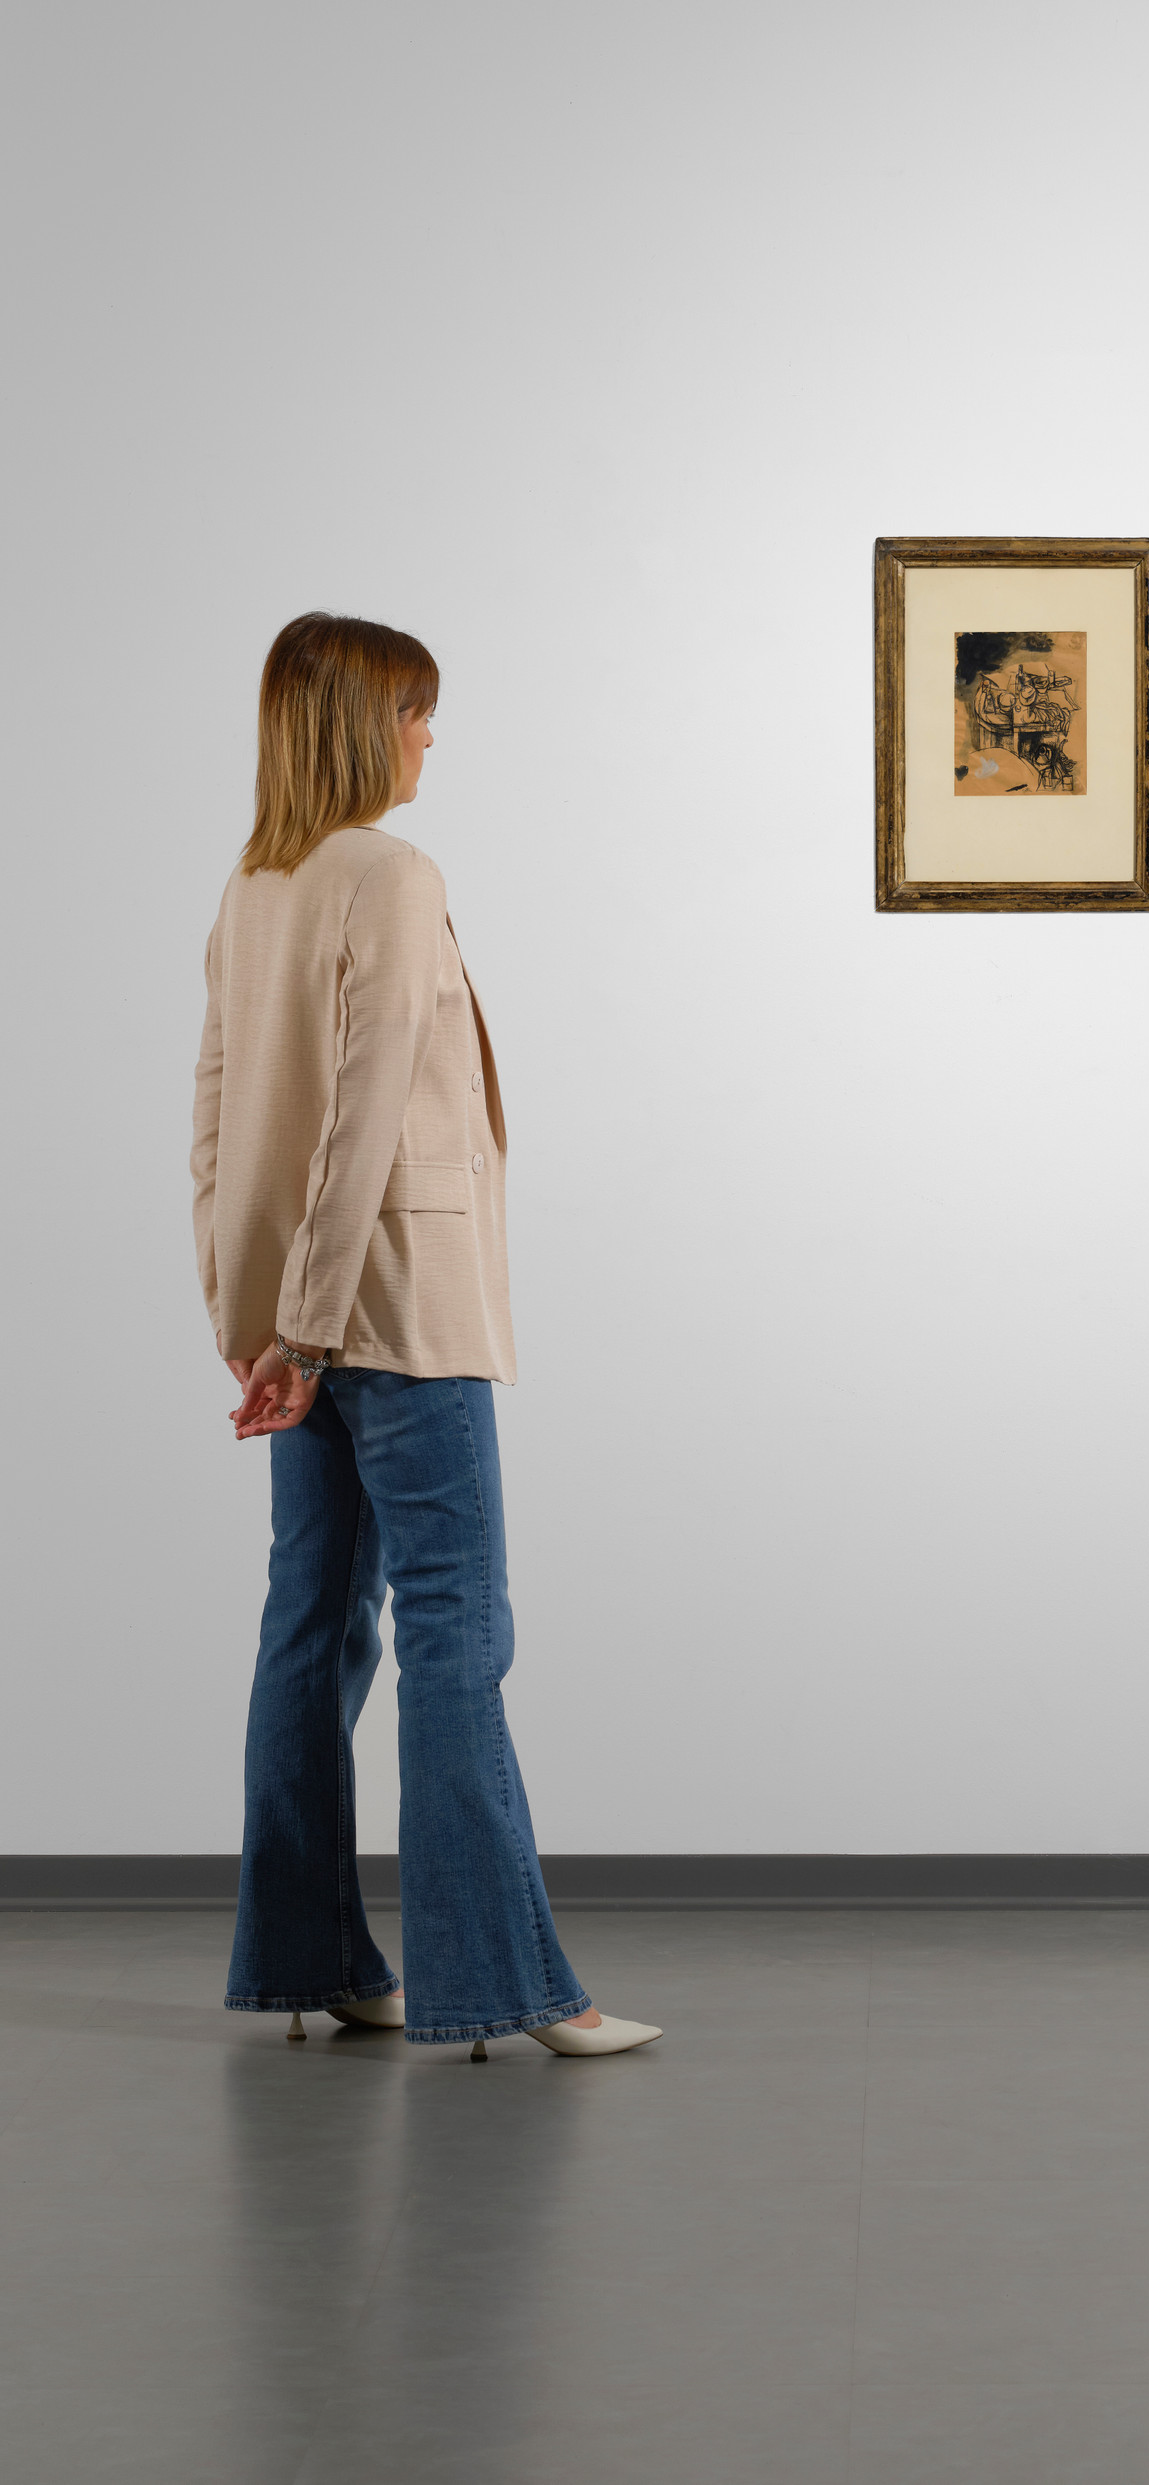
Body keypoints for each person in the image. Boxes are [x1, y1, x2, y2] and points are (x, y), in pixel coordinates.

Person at [192, 612, 659, 2058]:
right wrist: (312, 1326)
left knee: (312, 1623)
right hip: (394, 1305)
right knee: (460, 1629)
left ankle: (314, 1959)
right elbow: (369, 1104)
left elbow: (216, 1122)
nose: (429, 734)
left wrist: (255, 1320)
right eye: (413, 710)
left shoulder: (254, 885)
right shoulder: (390, 876)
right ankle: (506, 1986)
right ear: (357, 722)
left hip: (301, 1316)